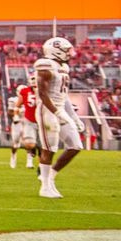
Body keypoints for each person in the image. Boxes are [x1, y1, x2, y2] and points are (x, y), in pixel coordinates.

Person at [34, 37, 82, 198]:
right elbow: (42, 94)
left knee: (76, 145)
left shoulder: (63, 67)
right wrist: (57, 112)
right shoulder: (45, 66)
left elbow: (64, 95)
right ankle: (45, 187)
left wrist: (73, 117)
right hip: (47, 110)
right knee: (50, 148)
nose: (69, 53)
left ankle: (50, 176)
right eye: (66, 49)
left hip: (60, 108)